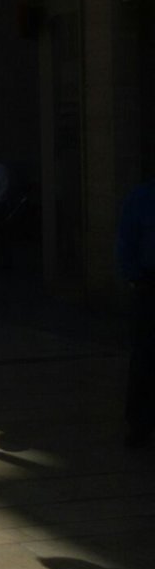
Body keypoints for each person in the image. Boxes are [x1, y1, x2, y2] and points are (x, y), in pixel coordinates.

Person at [118, 177, 155, 449]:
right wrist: (134, 277)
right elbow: (127, 240)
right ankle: (140, 423)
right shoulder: (142, 197)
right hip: (149, 284)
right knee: (145, 355)